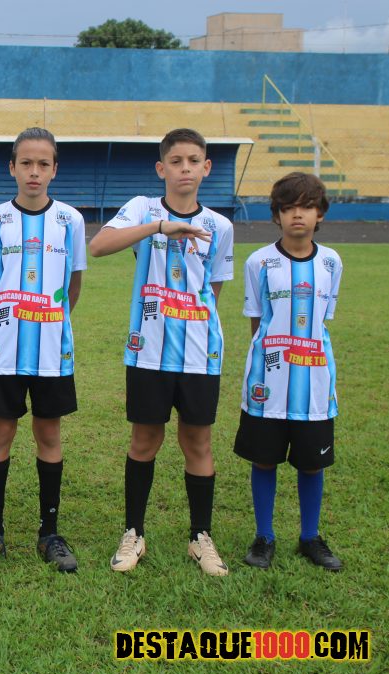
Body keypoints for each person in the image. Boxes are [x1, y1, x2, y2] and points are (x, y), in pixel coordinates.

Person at [89, 128, 234, 577]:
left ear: (206, 167)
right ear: (161, 168)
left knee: (198, 442)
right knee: (144, 440)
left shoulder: (220, 226)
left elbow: (213, 290)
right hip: (147, 351)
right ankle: (133, 532)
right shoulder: (142, 208)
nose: (184, 168)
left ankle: (200, 537)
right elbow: (98, 246)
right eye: (175, 161)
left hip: (200, 354)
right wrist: (159, 228)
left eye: (193, 160)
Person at [0, 128, 86, 572]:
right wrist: (9, 324)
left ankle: (49, 533)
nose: (34, 172)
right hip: (6, 351)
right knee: (0, 434)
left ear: (54, 170)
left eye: (43, 164)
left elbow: (73, 285)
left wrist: (47, 322)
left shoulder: (70, 221)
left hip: (53, 351)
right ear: (12, 168)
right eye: (26, 163)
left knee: (49, 435)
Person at [234, 172, 343, 572]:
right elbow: (257, 322)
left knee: (311, 463)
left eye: (307, 206)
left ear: (320, 214)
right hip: (268, 383)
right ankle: (264, 537)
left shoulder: (331, 261)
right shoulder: (259, 261)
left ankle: (310, 536)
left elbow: (322, 319)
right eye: (289, 207)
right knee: (264, 461)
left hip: (315, 383)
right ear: (277, 215)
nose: (298, 214)